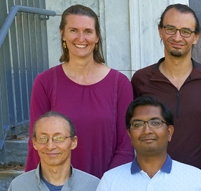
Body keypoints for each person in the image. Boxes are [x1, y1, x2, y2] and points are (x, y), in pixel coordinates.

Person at [26, 4, 134, 178]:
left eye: (88, 31)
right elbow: (38, 142)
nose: (81, 38)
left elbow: (126, 146)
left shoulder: (120, 84)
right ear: (63, 34)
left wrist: (105, 187)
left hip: (106, 187)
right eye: (74, 30)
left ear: (97, 36)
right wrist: (33, 185)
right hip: (58, 188)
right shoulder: (45, 82)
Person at [131, 4, 201, 191]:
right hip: (151, 183)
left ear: (196, 37)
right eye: (170, 29)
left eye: (185, 31)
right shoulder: (141, 80)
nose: (177, 37)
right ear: (160, 31)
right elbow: (132, 131)